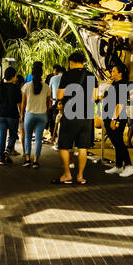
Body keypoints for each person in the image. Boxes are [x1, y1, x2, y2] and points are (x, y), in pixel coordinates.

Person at [53, 50, 96, 185]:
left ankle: (67, 174)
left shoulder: (67, 75)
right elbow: (93, 98)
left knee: (64, 146)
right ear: (83, 63)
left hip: (70, 114)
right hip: (86, 115)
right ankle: (80, 176)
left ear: (71, 63)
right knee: (83, 147)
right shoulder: (91, 76)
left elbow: (59, 96)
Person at [102, 64, 133, 178]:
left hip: (116, 117)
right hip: (109, 116)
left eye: (113, 71)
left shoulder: (122, 85)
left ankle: (129, 165)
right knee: (116, 142)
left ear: (120, 73)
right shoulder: (114, 84)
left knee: (118, 142)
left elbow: (120, 103)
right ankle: (118, 166)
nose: (111, 73)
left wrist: (114, 119)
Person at [22, 60, 51, 168]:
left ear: (32, 73)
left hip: (29, 114)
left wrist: (21, 115)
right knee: (39, 139)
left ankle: (27, 159)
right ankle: (36, 161)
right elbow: (48, 104)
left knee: (28, 137)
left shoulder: (26, 86)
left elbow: (23, 103)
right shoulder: (47, 87)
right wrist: (47, 115)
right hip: (42, 115)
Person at [0, 68, 23, 165]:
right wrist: (22, 114)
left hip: (1, 115)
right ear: (13, 76)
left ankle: (1, 159)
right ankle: (8, 150)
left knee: (2, 136)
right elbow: (19, 104)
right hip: (12, 115)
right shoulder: (16, 88)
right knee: (13, 135)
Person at [46, 63, 64, 145]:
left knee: (54, 120)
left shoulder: (53, 78)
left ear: (56, 70)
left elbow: (50, 91)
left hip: (55, 102)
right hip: (64, 102)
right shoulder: (66, 78)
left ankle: (54, 137)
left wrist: (50, 102)